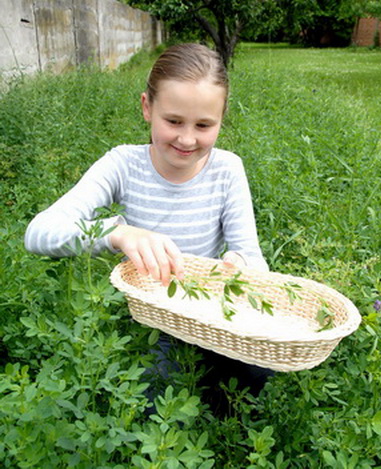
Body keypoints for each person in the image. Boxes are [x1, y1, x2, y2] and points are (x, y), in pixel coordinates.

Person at [25, 43, 272, 411]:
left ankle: (221, 415)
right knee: (158, 401)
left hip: (210, 316)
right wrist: (117, 233)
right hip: (152, 323)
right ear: (147, 107)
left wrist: (240, 264)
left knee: (257, 371)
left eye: (204, 125)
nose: (187, 139)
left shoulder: (227, 170)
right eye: (173, 121)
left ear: (222, 118)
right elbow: (39, 232)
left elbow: (252, 256)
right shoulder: (123, 165)